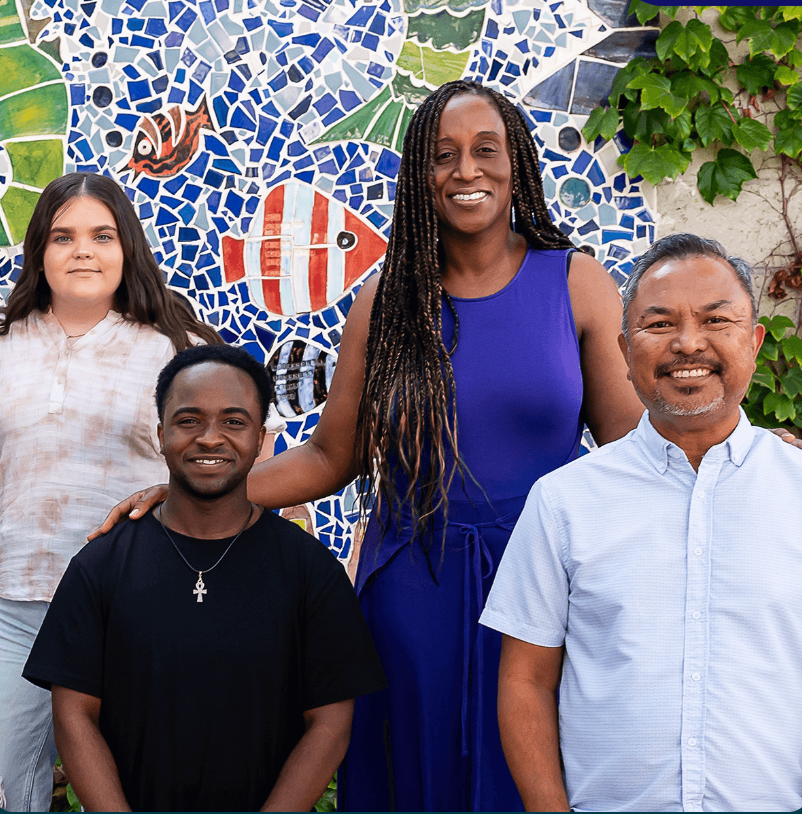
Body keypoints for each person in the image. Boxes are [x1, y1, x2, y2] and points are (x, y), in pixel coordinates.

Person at [89, 84, 801, 811]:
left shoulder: (575, 281)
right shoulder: (386, 300)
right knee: (416, 781)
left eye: (486, 151)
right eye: (444, 155)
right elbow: (332, 458)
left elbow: (636, 439)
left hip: (553, 582)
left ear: (516, 163)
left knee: (537, 773)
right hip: (414, 586)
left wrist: (744, 453)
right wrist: (206, 494)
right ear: (419, 176)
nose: (467, 171)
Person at [480, 233, 802, 812]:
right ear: (626, 352)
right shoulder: (564, 502)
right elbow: (525, 682)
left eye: (715, 320)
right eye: (659, 325)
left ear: (753, 343)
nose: (687, 343)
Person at [22, 344, 387, 812]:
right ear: (160, 434)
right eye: (188, 420)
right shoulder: (102, 565)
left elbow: (331, 722)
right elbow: (73, 716)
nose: (210, 438)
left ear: (260, 438)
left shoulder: (309, 571)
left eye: (234, 422)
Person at [0, 172, 223, 812]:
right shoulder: (6, 344)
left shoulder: (176, 349)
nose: (82, 250)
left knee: (135, 784)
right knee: (13, 786)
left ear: (127, 247)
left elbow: (245, 458)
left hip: (133, 604)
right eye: (63, 236)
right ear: (38, 251)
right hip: (14, 601)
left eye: (101, 235)